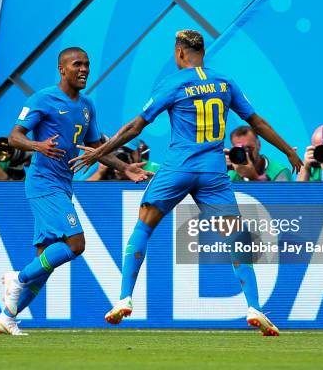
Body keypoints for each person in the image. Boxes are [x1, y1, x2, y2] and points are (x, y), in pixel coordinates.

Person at [70, 30, 302, 336]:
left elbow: (135, 126)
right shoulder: (225, 83)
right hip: (213, 173)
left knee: (144, 226)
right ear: (202, 52)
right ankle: (254, 306)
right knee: (234, 237)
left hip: (178, 168)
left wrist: (100, 152)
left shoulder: (174, 83)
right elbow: (257, 123)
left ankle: (125, 298)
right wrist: (287, 151)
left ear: (180, 53)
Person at [0, 47, 153, 335]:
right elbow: (14, 137)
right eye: (77, 64)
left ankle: (7, 317)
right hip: (43, 183)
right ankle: (17, 278)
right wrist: (37, 146)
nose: (84, 69)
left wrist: (125, 168)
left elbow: (93, 149)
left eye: (87, 65)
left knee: (46, 261)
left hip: (63, 185)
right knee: (76, 244)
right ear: (62, 69)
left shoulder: (87, 105)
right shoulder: (42, 99)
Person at [226, 126, 292, 181]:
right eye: (238, 149)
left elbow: (277, 196)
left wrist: (253, 177)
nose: (244, 154)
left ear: (259, 145)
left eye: (248, 148)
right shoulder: (231, 174)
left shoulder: (279, 172)